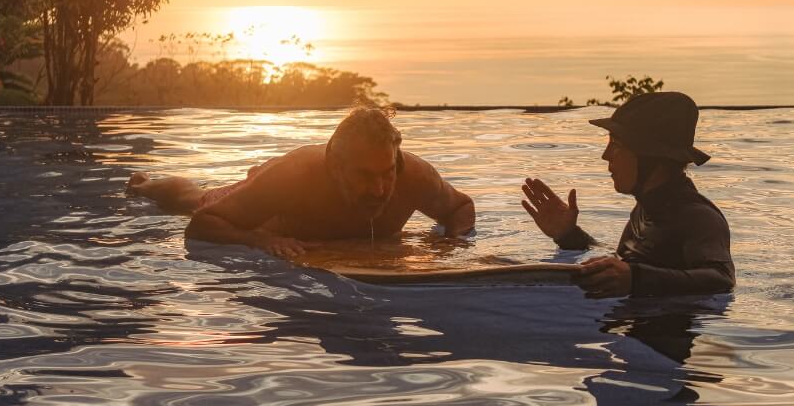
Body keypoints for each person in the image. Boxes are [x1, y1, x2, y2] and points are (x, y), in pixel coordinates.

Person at [128, 107, 475, 259]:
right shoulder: (296, 176)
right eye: (365, 177)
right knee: (194, 198)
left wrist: (451, 243)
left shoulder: (414, 176)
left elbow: (461, 207)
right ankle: (144, 184)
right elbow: (201, 225)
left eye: (387, 174)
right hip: (268, 196)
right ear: (335, 168)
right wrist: (257, 239)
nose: (380, 189)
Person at [521, 92, 734, 298]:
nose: (605, 156)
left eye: (616, 145)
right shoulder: (643, 211)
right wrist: (569, 235)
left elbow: (721, 280)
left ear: (651, 156)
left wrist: (636, 280)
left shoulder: (700, 218)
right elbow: (621, 263)